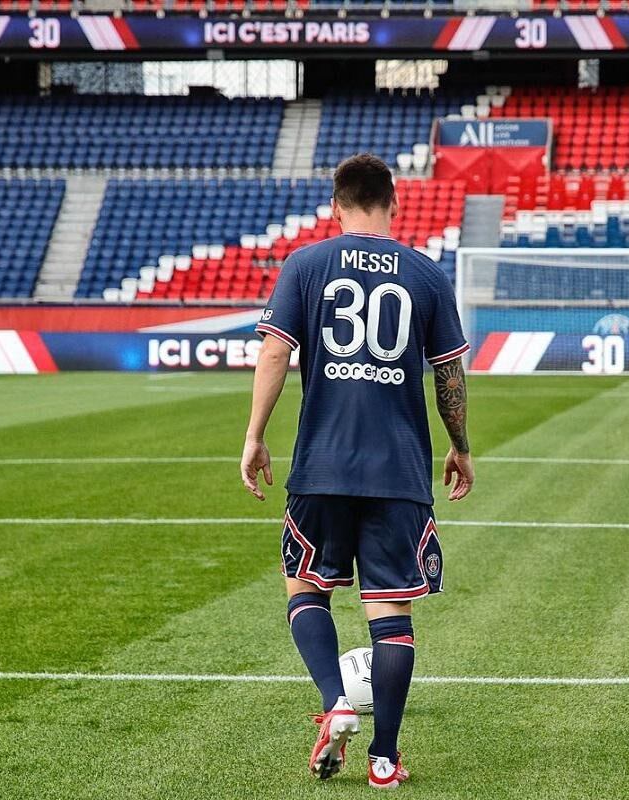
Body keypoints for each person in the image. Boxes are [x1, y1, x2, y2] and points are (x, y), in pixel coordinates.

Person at [240, 153, 474, 790]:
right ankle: (384, 757)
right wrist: (460, 445)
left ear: (336, 205)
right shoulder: (425, 274)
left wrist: (255, 435)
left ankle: (335, 698)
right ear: (393, 204)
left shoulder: (305, 264)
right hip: (398, 471)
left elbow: (274, 352)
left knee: (305, 588)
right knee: (391, 614)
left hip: (321, 463)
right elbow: (449, 375)